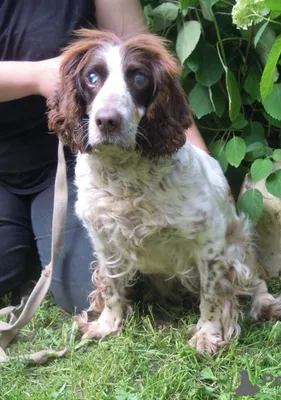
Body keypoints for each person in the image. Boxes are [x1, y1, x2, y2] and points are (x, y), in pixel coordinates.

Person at [0, 0, 207, 311]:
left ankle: (31, 241)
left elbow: (149, 65)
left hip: (77, 159)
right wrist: (35, 76)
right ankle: (22, 247)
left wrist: (207, 170)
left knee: (82, 287)